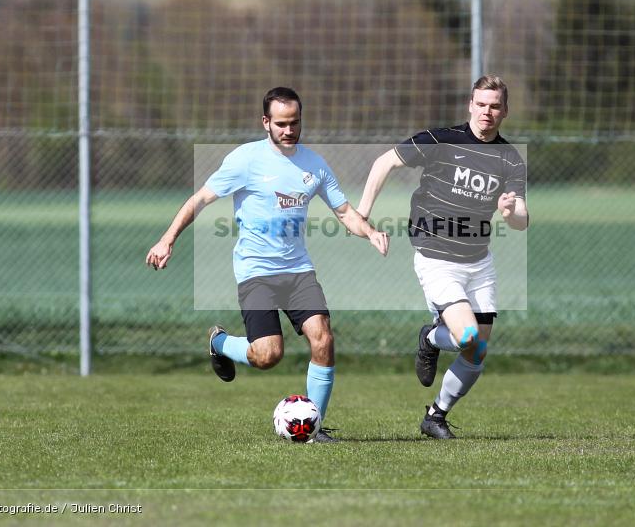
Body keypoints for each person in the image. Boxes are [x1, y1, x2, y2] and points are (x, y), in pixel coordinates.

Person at [146, 86, 388, 443]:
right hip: (256, 272)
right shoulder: (245, 160)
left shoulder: (315, 164)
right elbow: (200, 200)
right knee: (268, 355)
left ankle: (315, 428)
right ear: (265, 123)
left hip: (298, 271)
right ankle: (220, 343)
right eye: (281, 124)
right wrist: (168, 238)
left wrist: (369, 232)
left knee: (323, 339)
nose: (289, 130)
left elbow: (345, 212)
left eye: (295, 123)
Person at [357, 75, 528, 439]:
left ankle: (435, 416)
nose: (487, 112)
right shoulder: (441, 140)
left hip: (478, 263)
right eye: (481, 104)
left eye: (495, 106)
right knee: (466, 336)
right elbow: (384, 162)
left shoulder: (510, 158)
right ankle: (431, 338)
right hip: (436, 257)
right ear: (470, 105)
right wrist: (363, 213)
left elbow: (520, 222)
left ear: (505, 111)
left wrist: (510, 211)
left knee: (477, 352)